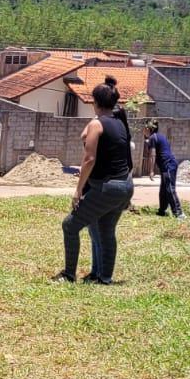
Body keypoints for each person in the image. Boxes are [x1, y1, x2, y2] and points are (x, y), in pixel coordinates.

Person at [54, 82, 135, 285]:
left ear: (94, 102)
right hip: (125, 185)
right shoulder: (119, 123)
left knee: (70, 225)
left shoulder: (97, 124)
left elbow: (89, 158)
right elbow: (87, 138)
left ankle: (68, 274)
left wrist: (78, 189)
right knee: (102, 229)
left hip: (108, 187)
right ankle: (103, 277)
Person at [146, 120, 182, 218]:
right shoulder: (160, 136)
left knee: (169, 188)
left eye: (145, 128)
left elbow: (153, 155)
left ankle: (179, 213)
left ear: (149, 129)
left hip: (168, 165)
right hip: (167, 165)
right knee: (163, 189)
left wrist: (151, 170)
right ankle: (162, 210)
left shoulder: (153, 138)